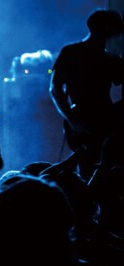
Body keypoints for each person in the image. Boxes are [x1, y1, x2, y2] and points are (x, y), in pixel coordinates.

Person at [50, 9, 124, 181]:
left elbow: (55, 87)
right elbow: (55, 88)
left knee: (91, 170)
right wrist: (72, 120)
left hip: (92, 119)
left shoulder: (105, 58)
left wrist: (72, 120)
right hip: (89, 120)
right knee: (92, 169)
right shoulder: (73, 53)